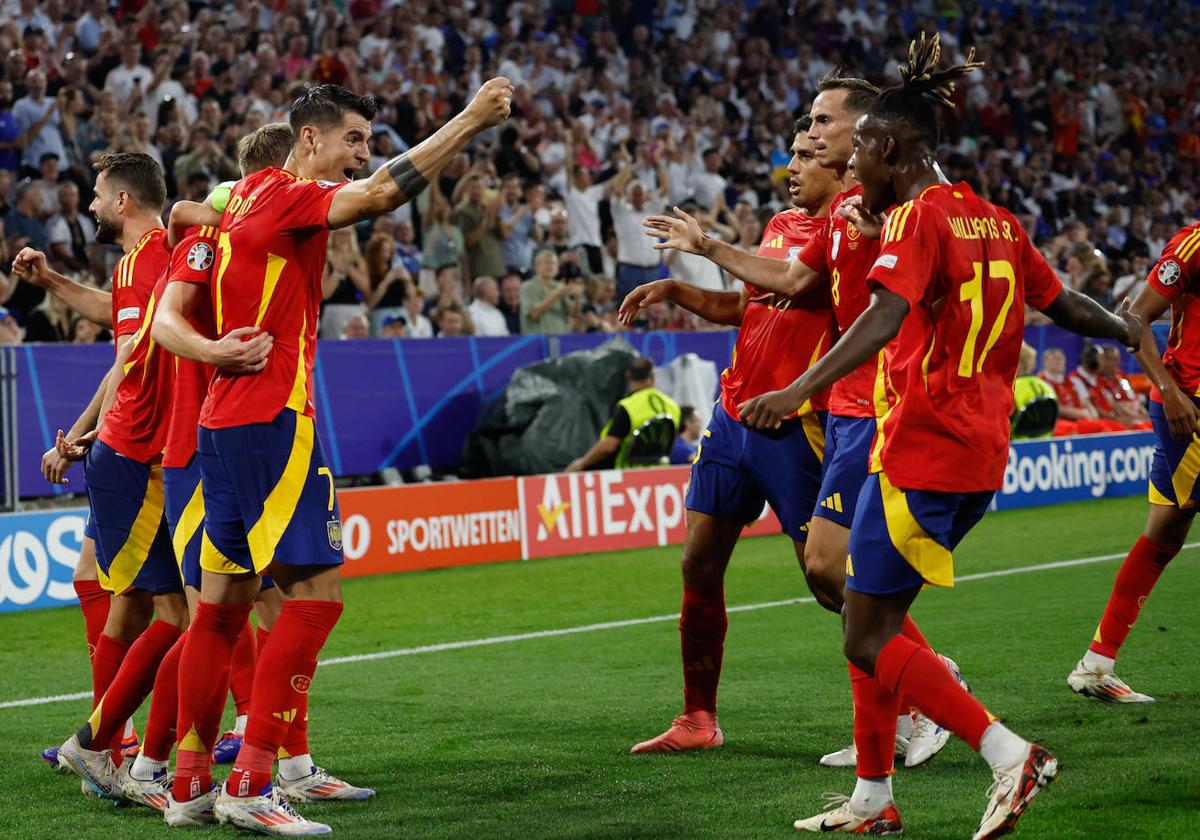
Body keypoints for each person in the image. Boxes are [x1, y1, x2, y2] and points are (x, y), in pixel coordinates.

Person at [734, 34, 1139, 837]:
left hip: (922, 447)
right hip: (980, 455)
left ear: (885, 147)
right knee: (869, 612)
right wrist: (1131, 331)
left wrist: (797, 388)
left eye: (862, 160)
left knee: (865, 628)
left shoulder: (918, 220)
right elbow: (1066, 309)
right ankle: (874, 800)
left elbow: (883, 315)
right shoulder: (997, 219)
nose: (856, 175)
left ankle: (1006, 754)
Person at [147, 78, 512, 835]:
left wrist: (212, 348)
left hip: (218, 424)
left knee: (218, 612)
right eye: (353, 140)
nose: (361, 156)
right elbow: (381, 197)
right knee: (316, 597)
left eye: (367, 144)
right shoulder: (286, 194)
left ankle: (188, 789)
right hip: (275, 418)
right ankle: (253, 783)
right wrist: (470, 120)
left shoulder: (236, 201)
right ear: (308, 139)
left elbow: (166, 319)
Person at [647, 76, 961, 769]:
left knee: (831, 578)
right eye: (794, 146)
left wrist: (707, 247)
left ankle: (923, 688)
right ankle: (699, 716)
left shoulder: (863, 223)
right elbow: (751, 306)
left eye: (814, 137)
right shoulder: (786, 226)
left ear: (856, 144)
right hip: (737, 415)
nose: (796, 158)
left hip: (801, 423)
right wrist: (677, 289)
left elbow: (793, 283)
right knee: (699, 563)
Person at [16, 154, 187, 792]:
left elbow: (127, 351)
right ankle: (107, 747)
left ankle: (110, 751)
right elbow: (130, 351)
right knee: (173, 613)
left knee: (139, 608)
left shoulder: (151, 258)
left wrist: (87, 429)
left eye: (95, 195)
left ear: (122, 202)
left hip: (136, 452)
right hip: (139, 456)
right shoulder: (148, 261)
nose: (88, 205)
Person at [1066, 217, 1200, 704]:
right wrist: (1168, 389)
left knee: (1164, 535)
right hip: (1191, 404)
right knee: (1165, 532)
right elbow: (1132, 317)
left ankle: (1096, 663)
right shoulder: (1194, 244)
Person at [566, 357, 681, 472]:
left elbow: (609, 446)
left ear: (628, 377)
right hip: (662, 472)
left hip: (630, 474)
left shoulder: (628, 406)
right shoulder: (672, 406)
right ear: (652, 376)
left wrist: (581, 463)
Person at [520, 248, 582, 335]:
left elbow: (573, 315)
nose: (550, 266)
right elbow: (533, 314)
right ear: (536, 266)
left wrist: (577, 297)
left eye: (553, 263)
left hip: (561, 339)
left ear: (557, 269)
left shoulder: (559, 286)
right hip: (536, 341)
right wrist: (557, 293)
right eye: (546, 262)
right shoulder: (527, 287)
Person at [1012, 343, 1058, 439]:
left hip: (1017, 445)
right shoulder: (1047, 387)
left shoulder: (1011, 389)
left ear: (1018, 363)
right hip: (1045, 442)